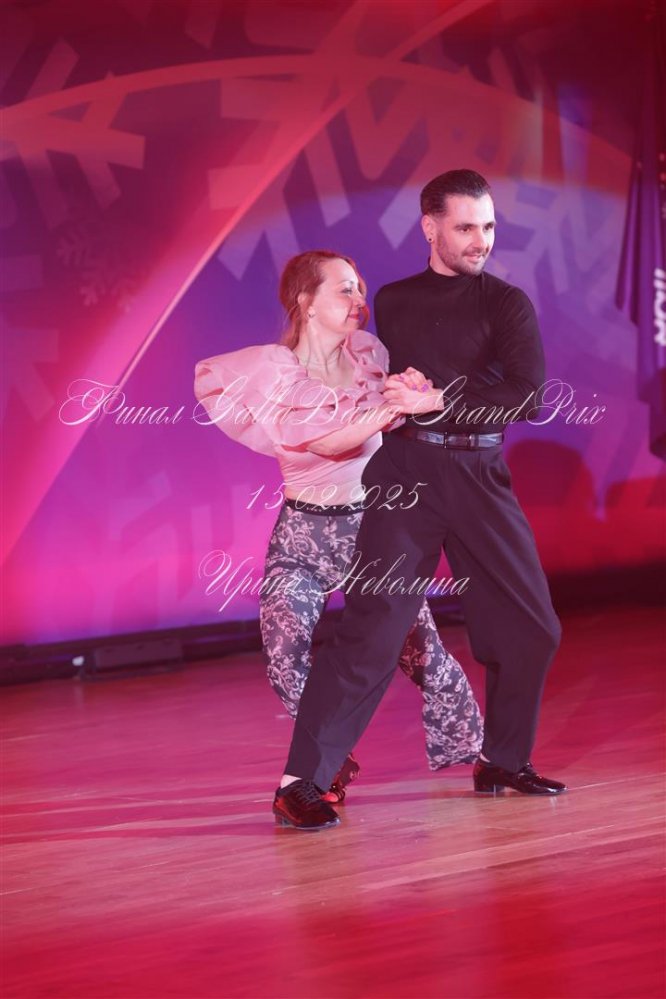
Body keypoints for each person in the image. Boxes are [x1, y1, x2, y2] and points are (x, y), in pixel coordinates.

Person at [276, 170, 567, 831]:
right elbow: (362, 363)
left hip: (479, 474)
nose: (480, 240)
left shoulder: (506, 304)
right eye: (465, 227)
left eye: (488, 227)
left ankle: (502, 760)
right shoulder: (396, 300)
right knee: (374, 628)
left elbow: (527, 395)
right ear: (430, 227)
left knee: (532, 628)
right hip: (407, 474)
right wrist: (392, 391)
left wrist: (438, 396)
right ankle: (301, 782)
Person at [194, 249, 483, 812]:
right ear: (306, 300)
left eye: (360, 288)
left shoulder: (371, 354)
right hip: (302, 537)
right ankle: (325, 759)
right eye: (344, 289)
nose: (359, 300)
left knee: (422, 655)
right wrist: (390, 412)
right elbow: (326, 443)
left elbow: (406, 402)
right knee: (284, 655)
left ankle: (486, 751)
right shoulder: (273, 371)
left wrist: (410, 390)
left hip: (373, 533)